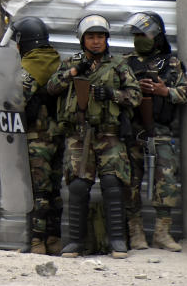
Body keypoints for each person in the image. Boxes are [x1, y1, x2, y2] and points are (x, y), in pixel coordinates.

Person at [46, 15, 141, 259]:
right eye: (91, 37)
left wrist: (112, 94)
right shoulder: (71, 63)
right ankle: (75, 242)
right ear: (82, 40)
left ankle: (117, 241)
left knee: (112, 184)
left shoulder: (118, 64)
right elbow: (52, 87)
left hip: (109, 135)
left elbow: (135, 96)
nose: (96, 42)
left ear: (106, 39)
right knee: (78, 186)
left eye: (100, 37)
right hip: (79, 135)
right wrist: (76, 72)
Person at [120, 12, 187, 252]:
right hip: (133, 132)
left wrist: (163, 91)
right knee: (130, 182)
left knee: (166, 181)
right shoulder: (125, 62)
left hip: (161, 131)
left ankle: (162, 232)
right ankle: (135, 231)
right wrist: (134, 90)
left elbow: (184, 93)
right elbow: (113, 93)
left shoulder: (171, 63)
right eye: (137, 35)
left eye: (145, 34)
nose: (140, 39)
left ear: (157, 36)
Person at [9, 17, 63, 256]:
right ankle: (54, 239)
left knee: (38, 193)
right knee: (54, 193)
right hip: (59, 137)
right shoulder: (57, 61)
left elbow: (16, 100)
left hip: (37, 138)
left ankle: (36, 243)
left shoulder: (31, 67)